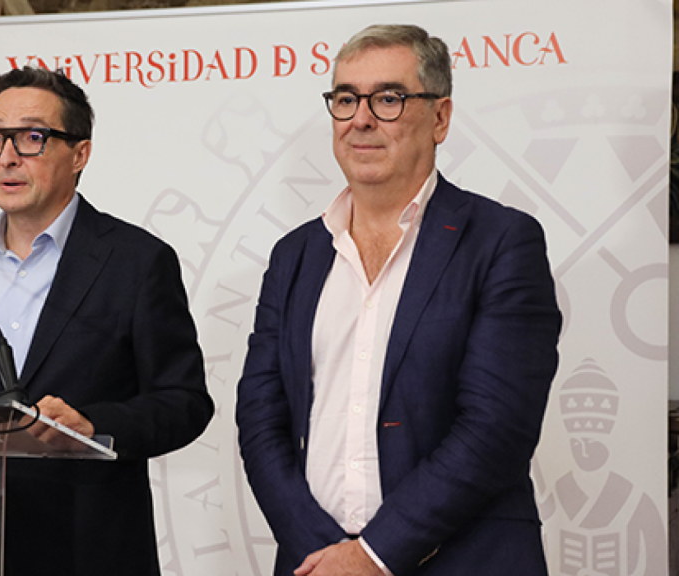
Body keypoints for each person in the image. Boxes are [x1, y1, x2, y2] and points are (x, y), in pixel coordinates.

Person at [235, 24, 561, 576]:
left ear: (440, 118)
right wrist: (323, 553)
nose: (360, 119)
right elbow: (260, 418)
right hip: (315, 563)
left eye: (388, 98)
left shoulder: (501, 240)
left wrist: (373, 555)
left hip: (466, 560)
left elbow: (496, 426)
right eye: (345, 99)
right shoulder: (294, 255)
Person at [0, 66, 213, 576]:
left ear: (80, 154)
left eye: (31, 137)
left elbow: (184, 402)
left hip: (91, 545)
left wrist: (94, 426)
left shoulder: (136, 261)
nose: (6, 156)